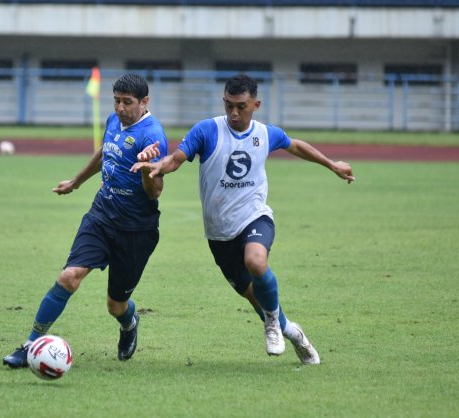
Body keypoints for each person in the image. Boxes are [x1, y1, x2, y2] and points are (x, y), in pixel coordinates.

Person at [131, 74, 355, 365]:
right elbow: (176, 158)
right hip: (219, 235)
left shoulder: (265, 133)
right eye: (228, 106)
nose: (234, 113)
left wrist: (332, 164)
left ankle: (272, 324)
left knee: (256, 262)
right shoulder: (207, 130)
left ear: (256, 104)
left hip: (254, 217)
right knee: (254, 297)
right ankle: (293, 332)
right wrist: (159, 165)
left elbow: (294, 145)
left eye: (241, 106)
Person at [3, 73, 168, 368]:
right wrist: (77, 181)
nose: (120, 108)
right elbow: (105, 151)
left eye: (127, 103)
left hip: (136, 231)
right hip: (101, 216)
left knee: (115, 305)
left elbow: (154, 193)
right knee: (69, 277)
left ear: (144, 102)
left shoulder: (153, 137)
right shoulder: (113, 121)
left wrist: (146, 169)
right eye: (116, 101)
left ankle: (129, 323)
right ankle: (30, 345)